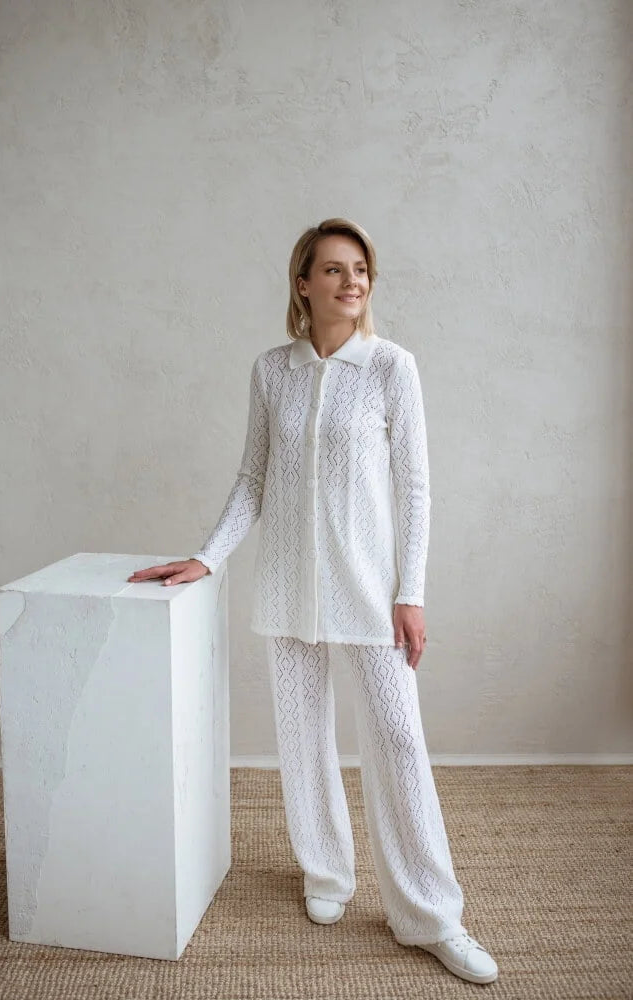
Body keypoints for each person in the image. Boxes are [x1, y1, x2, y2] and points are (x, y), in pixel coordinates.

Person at [128, 218, 498, 985]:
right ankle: (326, 873)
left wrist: (410, 592)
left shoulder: (391, 366)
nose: (350, 281)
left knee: (397, 741)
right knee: (302, 738)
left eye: (359, 269)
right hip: (288, 583)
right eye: (333, 269)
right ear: (303, 284)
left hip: (370, 591)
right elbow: (253, 479)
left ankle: (431, 917)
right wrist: (207, 556)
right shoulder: (273, 371)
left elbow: (415, 489)